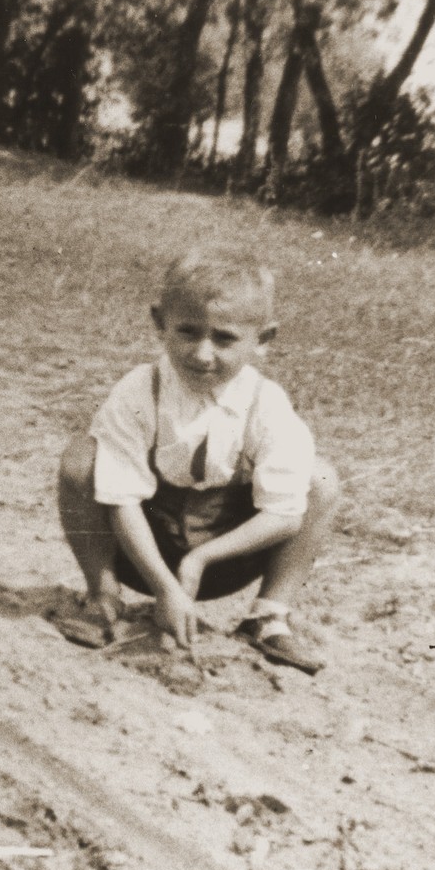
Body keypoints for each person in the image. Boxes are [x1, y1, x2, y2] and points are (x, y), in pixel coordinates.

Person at [55, 248, 340, 674]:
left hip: (228, 556)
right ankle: (104, 598)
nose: (203, 354)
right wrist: (165, 588)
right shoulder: (140, 390)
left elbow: (283, 514)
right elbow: (121, 498)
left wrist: (199, 561)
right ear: (159, 324)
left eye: (224, 338)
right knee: (82, 459)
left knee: (320, 479)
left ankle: (268, 616)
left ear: (262, 340)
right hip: (140, 550)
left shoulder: (266, 404)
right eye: (188, 332)